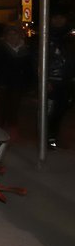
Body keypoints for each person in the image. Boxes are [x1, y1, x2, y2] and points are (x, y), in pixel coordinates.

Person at [46, 12, 74, 149]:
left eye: (61, 16)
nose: (58, 20)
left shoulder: (69, 38)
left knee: (60, 112)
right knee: (48, 112)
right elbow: (38, 60)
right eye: (55, 16)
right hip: (51, 81)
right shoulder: (46, 36)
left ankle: (53, 137)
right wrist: (44, 80)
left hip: (66, 82)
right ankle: (46, 140)